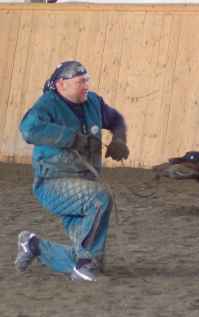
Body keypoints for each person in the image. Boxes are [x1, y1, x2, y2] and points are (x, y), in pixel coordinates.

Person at [15, 60, 129, 282]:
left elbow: (116, 119)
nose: (86, 86)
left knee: (94, 260)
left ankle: (34, 246)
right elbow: (29, 130)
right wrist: (72, 138)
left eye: (87, 81)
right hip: (52, 183)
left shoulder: (93, 102)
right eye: (81, 82)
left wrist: (119, 138)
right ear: (61, 84)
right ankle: (83, 266)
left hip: (83, 184)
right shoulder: (47, 106)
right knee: (99, 198)